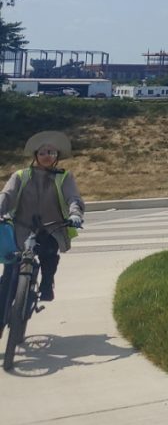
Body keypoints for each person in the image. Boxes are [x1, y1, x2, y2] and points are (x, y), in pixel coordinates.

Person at [0, 131, 84, 308]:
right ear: (35, 155)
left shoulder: (64, 177)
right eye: (43, 153)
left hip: (51, 228)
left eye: (51, 153)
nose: (47, 156)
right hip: (21, 228)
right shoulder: (20, 176)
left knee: (49, 255)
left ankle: (46, 284)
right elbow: (6, 195)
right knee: (10, 274)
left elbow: (73, 198)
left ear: (57, 156)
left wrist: (75, 214)